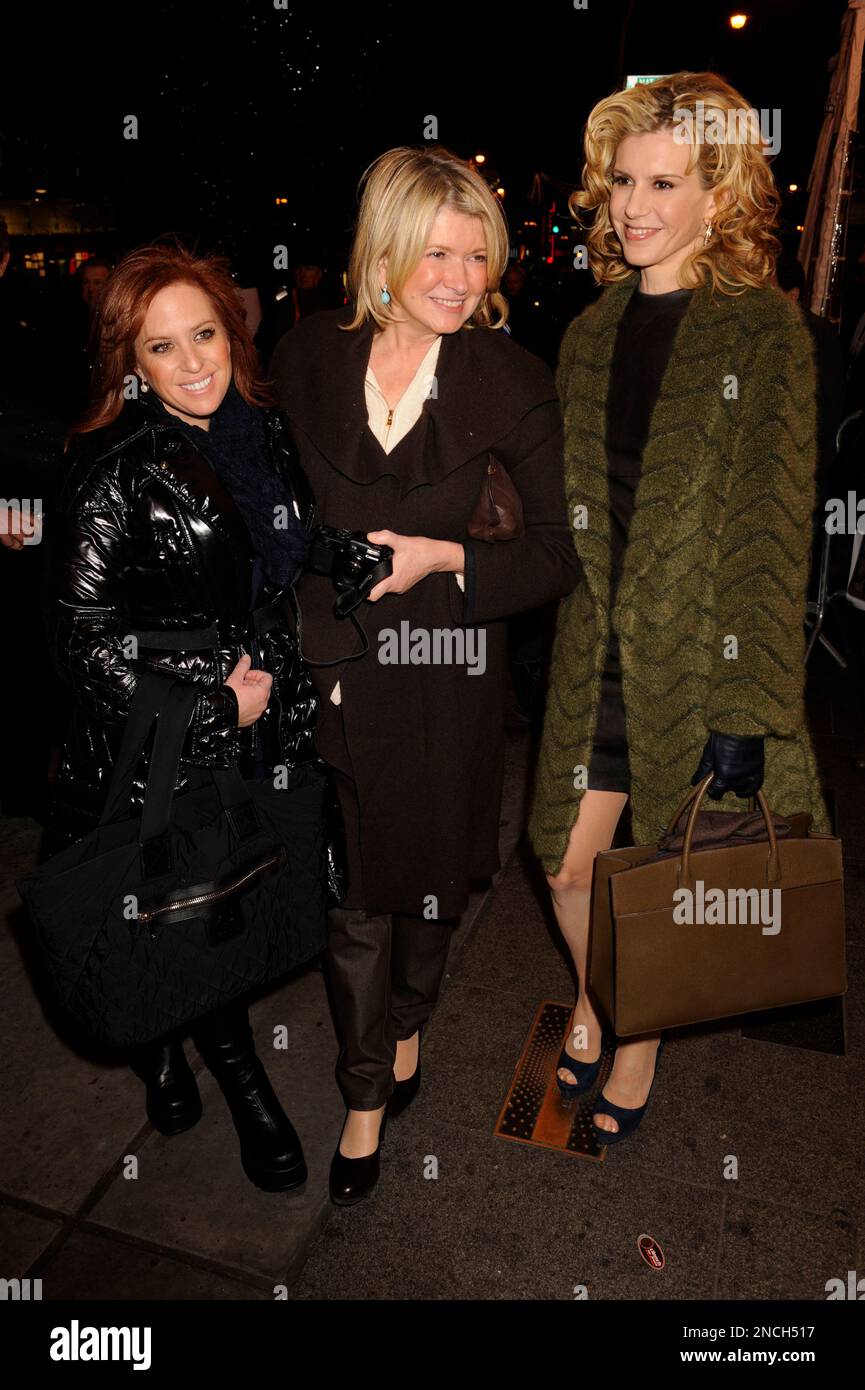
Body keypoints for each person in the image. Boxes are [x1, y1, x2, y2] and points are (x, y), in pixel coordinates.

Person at [271, 145, 581, 1204]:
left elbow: (556, 552)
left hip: (447, 665)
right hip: (339, 667)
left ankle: (409, 1022)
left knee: (431, 884)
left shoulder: (509, 379)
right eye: (434, 251)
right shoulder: (308, 355)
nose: (458, 277)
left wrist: (445, 558)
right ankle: (365, 1094)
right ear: (383, 251)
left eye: (477, 254)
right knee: (356, 892)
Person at [528, 72, 832, 1145]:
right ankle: (608, 999)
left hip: (701, 659)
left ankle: (635, 1041)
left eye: (665, 181)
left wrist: (745, 709)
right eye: (621, 180)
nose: (633, 204)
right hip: (594, 648)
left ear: (721, 193)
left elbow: (769, 529)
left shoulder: (762, 333)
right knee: (566, 864)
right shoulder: (590, 330)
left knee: (663, 870)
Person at [41, 242, 344, 1192]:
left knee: (231, 892)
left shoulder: (263, 426)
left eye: (204, 333)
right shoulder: (114, 470)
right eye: (162, 348)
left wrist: (356, 560)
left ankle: (167, 1042)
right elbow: (83, 643)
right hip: (160, 743)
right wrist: (215, 710)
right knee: (184, 906)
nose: (194, 362)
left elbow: (282, 541)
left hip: (260, 722)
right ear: (131, 365)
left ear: (233, 327)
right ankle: (237, 1080)